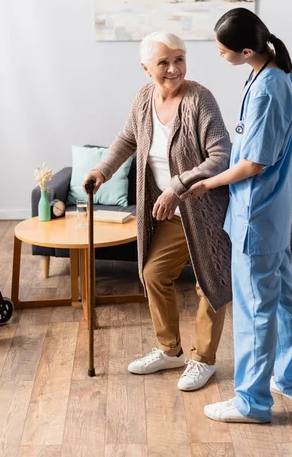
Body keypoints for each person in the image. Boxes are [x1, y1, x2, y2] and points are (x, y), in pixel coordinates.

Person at [83, 31, 232, 391]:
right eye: (163, 62)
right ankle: (171, 351)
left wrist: (177, 188)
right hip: (172, 214)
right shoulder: (143, 98)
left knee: (209, 283)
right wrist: (102, 170)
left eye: (179, 59)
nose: (173, 68)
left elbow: (221, 156)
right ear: (145, 68)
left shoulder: (200, 100)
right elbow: (127, 138)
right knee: (153, 273)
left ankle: (203, 359)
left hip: (207, 211)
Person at [181, 8, 292, 422]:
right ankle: (291, 380)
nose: (219, 55)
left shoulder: (269, 87)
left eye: (222, 50)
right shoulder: (273, 74)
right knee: (284, 299)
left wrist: (209, 183)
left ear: (247, 49)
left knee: (255, 309)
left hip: (257, 214)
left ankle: (251, 403)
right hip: (269, 215)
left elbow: (254, 163)